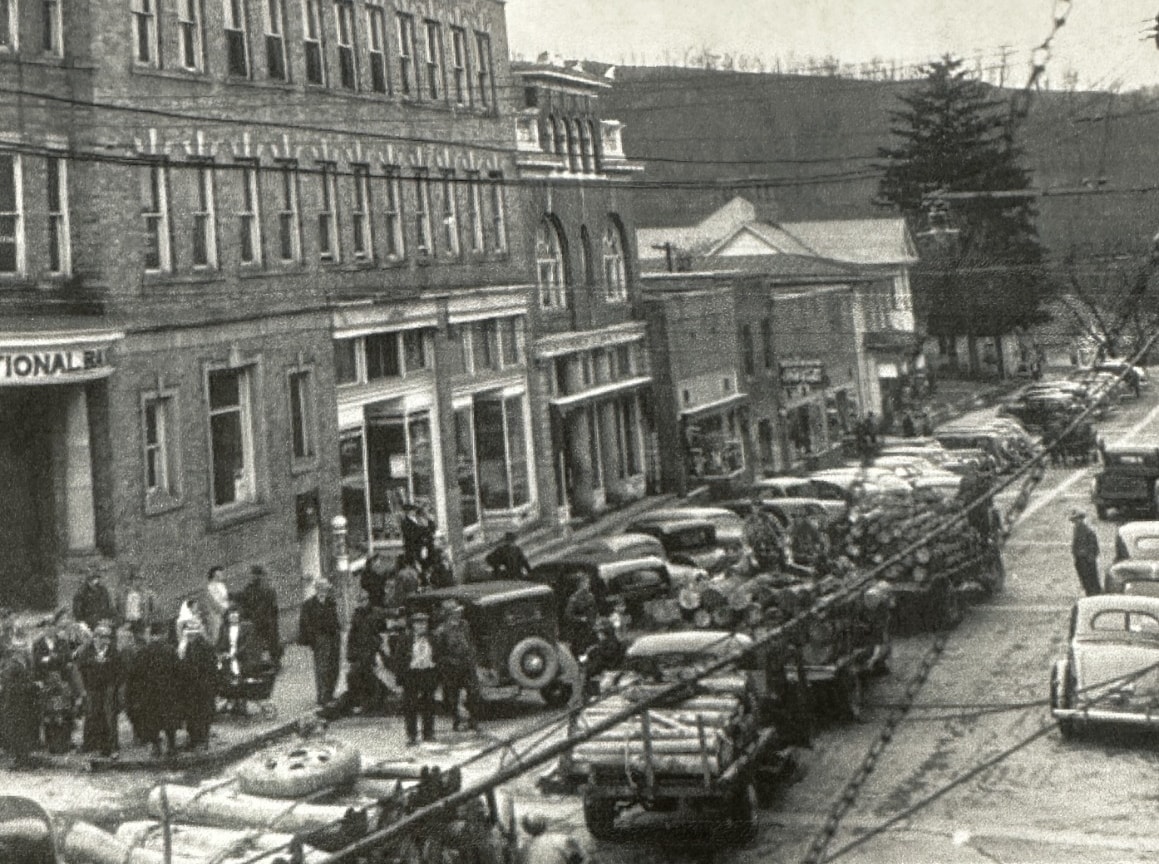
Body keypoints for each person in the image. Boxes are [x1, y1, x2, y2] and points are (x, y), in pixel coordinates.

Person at [126, 622, 180, 757]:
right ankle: (172, 747)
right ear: (164, 633)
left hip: (149, 693)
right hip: (168, 691)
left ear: (151, 635)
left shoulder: (143, 651)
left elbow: (134, 674)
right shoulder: (170, 650)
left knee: (152, 720)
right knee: (169, 719)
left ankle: (156, 747)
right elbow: (179, 671)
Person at [75, 621, 122, 758]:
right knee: (92, 715)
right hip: (92, 688)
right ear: (96, 638)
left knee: (109, 717)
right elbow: (81, 668)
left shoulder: (113, 651)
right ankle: (90, 744)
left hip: (108, 687)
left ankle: (111, 746)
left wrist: (114, 685)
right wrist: (84, 687)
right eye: (103, 637)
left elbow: (119, 669)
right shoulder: (87, 650)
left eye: (108, 638)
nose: (106, 641)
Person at [433, 600, 480, 732]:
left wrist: (472, 655)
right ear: (449, 614)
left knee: (474, 692)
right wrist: (448, 663)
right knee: (452, 695)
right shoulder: (441, 631)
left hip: (467, 664)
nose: (459, 614)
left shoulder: (465, 625)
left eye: (459, 612)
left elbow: (470, 642)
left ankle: (473, 720)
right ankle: (456, 721)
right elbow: (438, 654)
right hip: (451, 668)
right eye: (455, 612)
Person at [396, 611, 439, 745]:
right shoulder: (405, 639)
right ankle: (412, 735)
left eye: (424, 623)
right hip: (412, 675)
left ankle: (428, 733)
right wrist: (402, 676)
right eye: (418, 624)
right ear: (413, 625)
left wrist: (436, 670)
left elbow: (438, 655)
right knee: (410, 706)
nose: (421, 626)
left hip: (427, 673)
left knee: (429, 704)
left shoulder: (432, 638)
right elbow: (398, 659)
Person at [341, 590, 386, 716]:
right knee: (354, 675)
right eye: (360, 601)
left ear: (368, 600)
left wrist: (378, 647)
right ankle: (360, 703)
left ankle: (374, 703)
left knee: (372, 676)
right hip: (360, 652)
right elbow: (352, 637)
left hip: (373, 650)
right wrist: (350, 655)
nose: (362, 603)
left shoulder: (377, 612)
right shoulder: (356, 615)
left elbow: (383, 631)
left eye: (364, 600)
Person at [298, 579, 341, 707]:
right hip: (320, 639)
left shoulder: (331, 602)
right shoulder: (308, 604)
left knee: (334, 666)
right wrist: (313, 640)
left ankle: (330, 693)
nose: (326, 590)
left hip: (333, 637)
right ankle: (322, 696)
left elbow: (335, 619)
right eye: (323, 587)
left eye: (326, 588)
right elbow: (305, 624)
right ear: (318, 589)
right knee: (322, 668)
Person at [176, 618, 217, 752]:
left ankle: (202, 741)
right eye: (189, 633)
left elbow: (210, 668)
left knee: (201, 714)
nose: (190, 636)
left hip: (202, 687)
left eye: (193, 633)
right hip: (192, 687)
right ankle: (195, 740)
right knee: (193, 715)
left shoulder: (204, 647)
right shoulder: (187, 646)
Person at [0, 631, 40, 765]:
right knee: (18, 730)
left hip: (23, 703)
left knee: (24, 729)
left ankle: (23, 757)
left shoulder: (22, 663)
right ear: (16, 651)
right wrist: (32, 686)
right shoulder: (11, 666)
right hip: (14, 704)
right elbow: (11, 687)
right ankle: (20, 758)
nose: (26, 650)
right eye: (23, 648)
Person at [217, 605, 263, 714]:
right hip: (228, 659)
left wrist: (235, 654)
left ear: (239, 614)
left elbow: (248, 644)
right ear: (227, 616)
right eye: (230, 613)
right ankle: (233, 702)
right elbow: (219, 644)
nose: (233, 615)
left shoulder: (247, 626)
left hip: (244, 658)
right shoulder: (224, 628)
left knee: (241, 679)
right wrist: (222, 653)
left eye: (235, 613)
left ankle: (241, 704)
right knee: (226, 677)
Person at [237, 565, 281, 668]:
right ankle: (269, 661)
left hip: (263, 618)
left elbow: (270, 602)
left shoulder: (262, 586)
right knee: (265, 640)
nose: (251, 577)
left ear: (257, 575)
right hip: (262, 618)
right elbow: (245, 600)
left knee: (268, 640)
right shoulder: (255, 586)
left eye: (252, 574)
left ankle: (273, 661)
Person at [116, 567, 156, 641]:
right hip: (127, 622)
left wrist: (147, 622)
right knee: (120, 634)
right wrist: (123, 622)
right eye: (137, 579)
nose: (139, 582)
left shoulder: (146, 595)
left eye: (141, 579)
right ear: (132, 580)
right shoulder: (124, 594)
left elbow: (151, 610)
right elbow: (118, 609)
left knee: (146, 638)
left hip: (141, 623)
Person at [563, 575, 599, 657]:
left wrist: (596, 619)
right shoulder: (574, 598)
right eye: (586, 583)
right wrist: (580, 619)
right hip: (579, 630)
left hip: (591, 627)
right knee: (580, 651)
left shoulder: (590, 596)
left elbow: (594, 610)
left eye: (588, 583)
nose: (588, 585)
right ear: (581, 584)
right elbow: (568, 615)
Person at [1071, 510, 1101, 596]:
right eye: (1075, 520)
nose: (1076, 522)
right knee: (1084, 578)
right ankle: (1090, 592)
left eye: (1077, 519)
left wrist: (1089, 557)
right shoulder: (1077, 529)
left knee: (1090, 579)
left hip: (1086, 559)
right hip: (1080, 558)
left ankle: (1093, 593)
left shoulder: (1086, 531)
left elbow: (1093, 546)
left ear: (1081, 519)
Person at [203, 566, 230, 646]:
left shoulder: (221, 585)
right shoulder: (211, 587)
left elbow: (225, 601)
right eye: (220, 573)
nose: (223, 575)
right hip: (216, 617)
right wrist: (225, 612)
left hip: (225, 615)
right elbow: (216, 604)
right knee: (217, 640)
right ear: (215, 575)